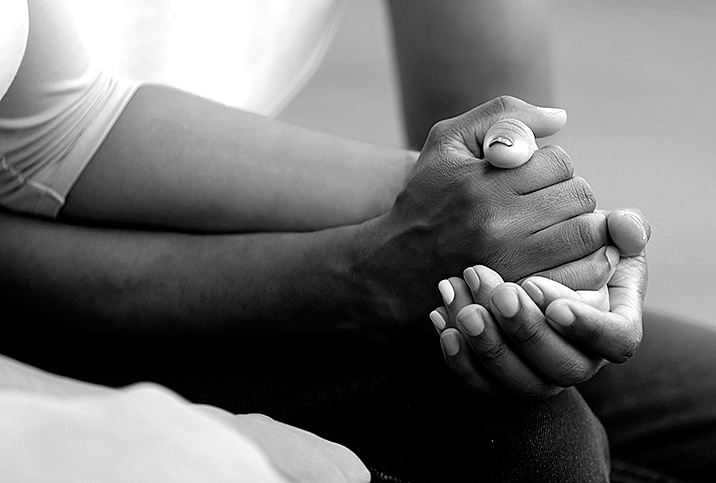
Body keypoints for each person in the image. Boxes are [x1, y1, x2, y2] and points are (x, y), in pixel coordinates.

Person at [2, 0, 704, 482]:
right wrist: (366, 270)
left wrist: (530, 239)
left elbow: (57, 127)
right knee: (535, 451)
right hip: (39, 276)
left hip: (176, 190)